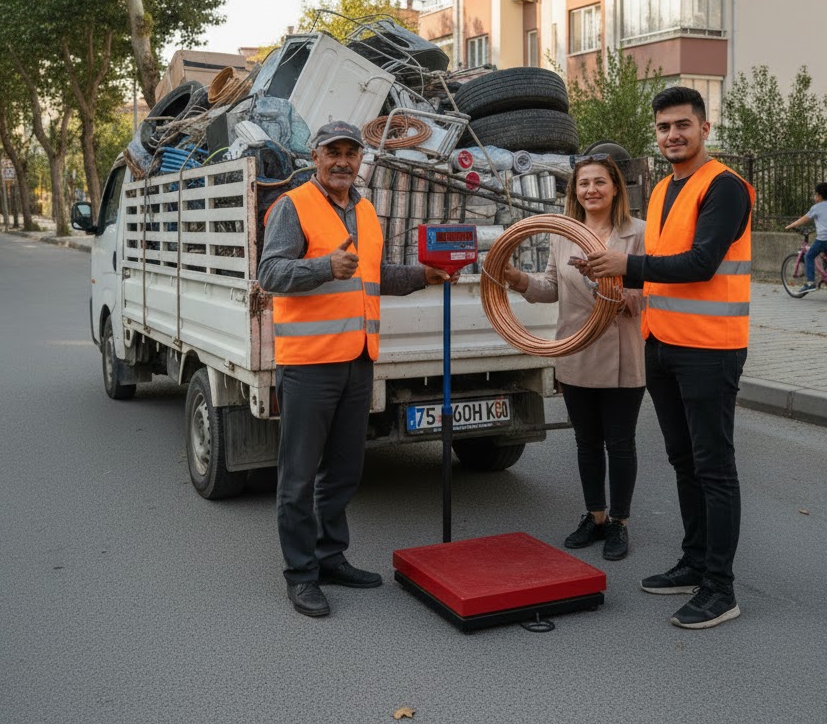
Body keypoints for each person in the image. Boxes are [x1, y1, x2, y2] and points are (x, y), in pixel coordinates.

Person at [257, 120, 456, 619]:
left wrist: (420, 275)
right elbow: (270, 274)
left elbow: (373, 275)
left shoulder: (366, 211)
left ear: (361, 159)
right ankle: (301, 575)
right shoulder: (292, 205)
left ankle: (330, 557)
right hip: (308, 365)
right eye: (334, 152)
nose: (343, 160)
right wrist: (324, 266)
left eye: (351, 152)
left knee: (344, 472)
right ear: (316, 157)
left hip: (357, 360)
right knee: (299, 478)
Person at [584, 86, 754, 630]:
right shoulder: (662, 190)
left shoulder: (725, 187)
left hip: (709, 350)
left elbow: (702, 263)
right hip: (663, 345)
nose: (673, 135)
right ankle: (695, 562)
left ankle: (720, 588)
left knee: (714, 468)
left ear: (704, 128)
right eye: (663, 128)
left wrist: (625, 267)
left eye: (682, 125)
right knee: (684, 462)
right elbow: (661, 261)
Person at [503, 154, 645, 561]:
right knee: (586, 442)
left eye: (600, 182)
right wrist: (519, 280)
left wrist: (604, 281)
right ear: (575, 191)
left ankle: (620, 522)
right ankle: (594, 516)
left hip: (620, 354)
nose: (592, 190)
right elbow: (551, 286)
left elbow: (643, 296)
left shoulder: (637, 233)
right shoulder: (564, 233)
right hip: (575, 348)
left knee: (619, 443)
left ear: (615, 187)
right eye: (584, 184)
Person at [785, 182, 827, 294]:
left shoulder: (816, 207)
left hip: (825, 238)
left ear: (819, 196)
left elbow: (804, 219)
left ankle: (810, 283)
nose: (815, 197)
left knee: (809, 256)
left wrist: (791, 225)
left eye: (815, 195)